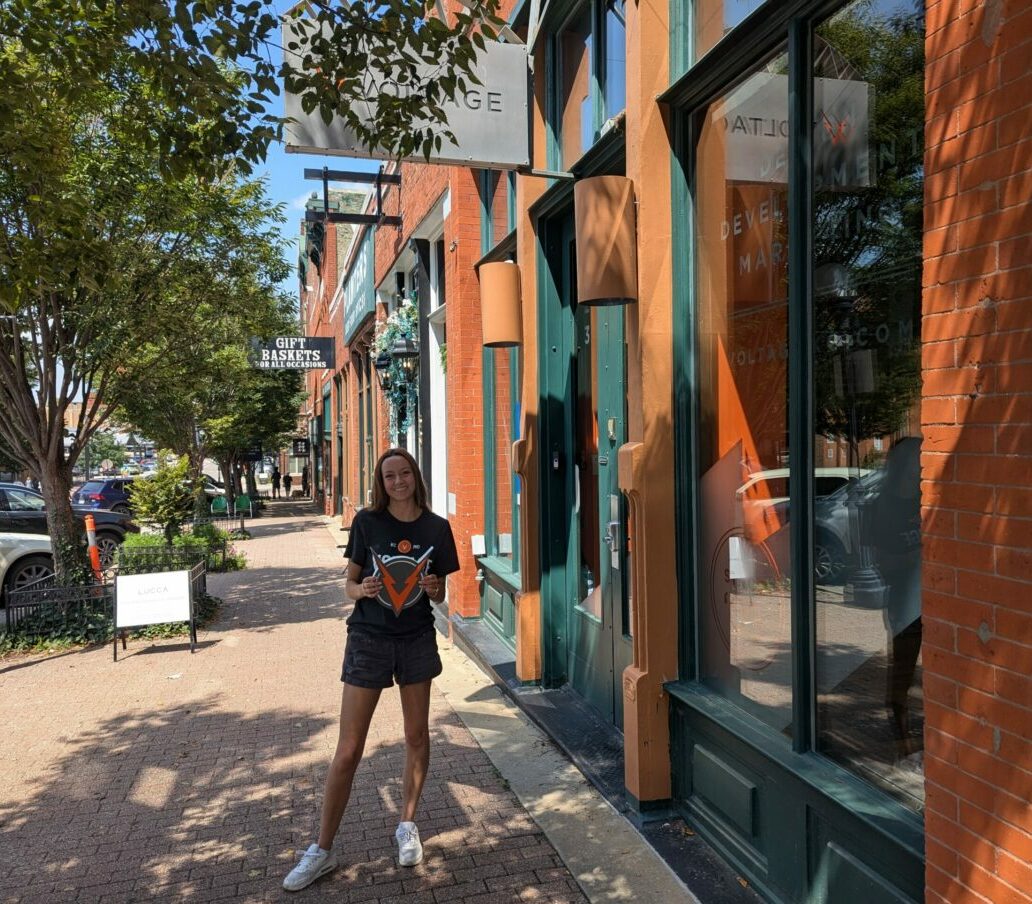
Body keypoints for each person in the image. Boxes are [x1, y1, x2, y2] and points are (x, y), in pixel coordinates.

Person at [283, 448, 459, 892]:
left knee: (417, 735)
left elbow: (437, 595)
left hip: (416, 640)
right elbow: (348, 584)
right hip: (368, 639)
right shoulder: (367, 522)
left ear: (416, 477)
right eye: (389, 476)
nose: (397, 482)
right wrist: (360, 588)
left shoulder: (437, 529)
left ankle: (407, 824)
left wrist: (435, 588)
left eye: (404, 474)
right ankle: (321, 849)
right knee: (348, 748)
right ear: (380, 483)